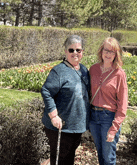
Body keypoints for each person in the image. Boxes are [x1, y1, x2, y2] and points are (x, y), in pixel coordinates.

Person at [41, 35, 91, 165]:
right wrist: (53, 115)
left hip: (76, 126)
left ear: (82, 52)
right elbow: (46, 91)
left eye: (78, 50)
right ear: (65, 51)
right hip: (61, 127)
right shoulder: (59, 71)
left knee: (68, 158)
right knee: (60, 160)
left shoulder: (84, 70)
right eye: (71, 50)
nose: (75, 53)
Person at [89, 37, 128, 165]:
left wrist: (114, 127)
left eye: (112, 51)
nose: (108, 54)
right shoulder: (93, 69)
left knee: (108, 158)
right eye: (106, 50)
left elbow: (123, 104)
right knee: (100, 154)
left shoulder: (119, 73)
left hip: (108, 118)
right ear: (101, 51)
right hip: (94, 117)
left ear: (116, 54)